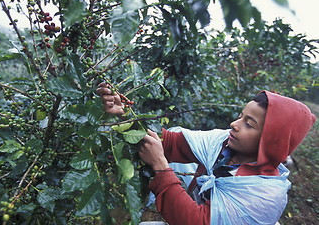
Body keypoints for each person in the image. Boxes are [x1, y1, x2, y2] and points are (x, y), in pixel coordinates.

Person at [96, 82, 316, 225]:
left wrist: (161, 168)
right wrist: (124, 115)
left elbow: (196, 221)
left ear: (271, 141)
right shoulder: (225, 144)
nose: (234, 124)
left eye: (249, 124)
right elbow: (172, 143)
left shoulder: (264, 197)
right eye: (241, 116)